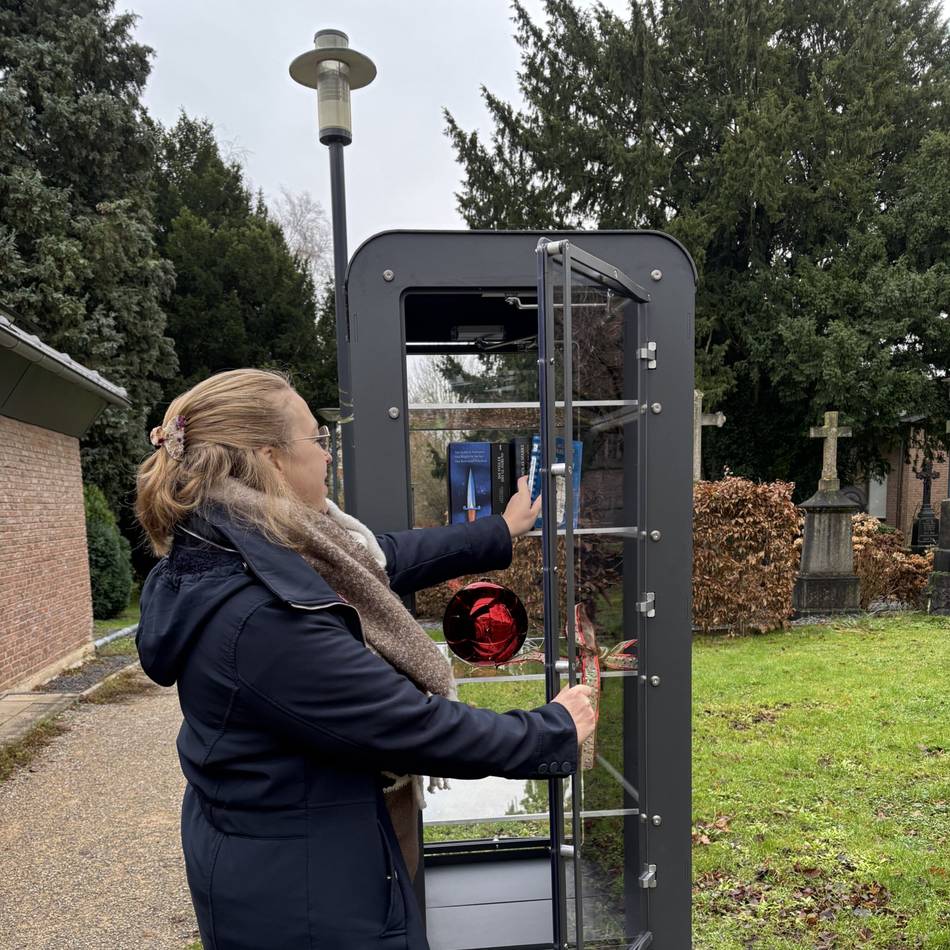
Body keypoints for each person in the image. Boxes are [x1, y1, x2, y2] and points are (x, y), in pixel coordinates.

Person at [134, 368, 595, 950]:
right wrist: (551, 730)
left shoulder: (231, 543)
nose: (327, 456)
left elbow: (376, 564)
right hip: (312, 905)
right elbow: (408, 724)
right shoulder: (260, 616)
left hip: (285, 859)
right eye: (317, 440)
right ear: (271, 457)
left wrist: (497, 531)